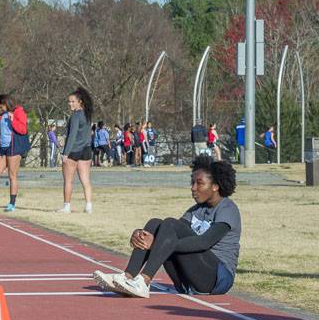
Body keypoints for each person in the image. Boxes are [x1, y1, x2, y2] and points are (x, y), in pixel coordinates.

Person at [94, 155, 241, 298]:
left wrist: (156, 244)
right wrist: (141, 235)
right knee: (156, 224)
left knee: (170, 224)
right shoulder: (197, 210)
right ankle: (127, 276)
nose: (193, 188)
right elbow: (168, 234)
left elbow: (204, 242)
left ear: (215, 186)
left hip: (216, 280)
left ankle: (144, 281)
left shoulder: (227, 209)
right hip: (189, 278)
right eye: (192, 182)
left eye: (199, 183)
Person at [58, 87, 94, 213]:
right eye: (69, 101)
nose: (70, 104)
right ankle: (89, 205)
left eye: (73, 101)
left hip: (74, 151)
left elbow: (72, 136)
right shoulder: (88, 115)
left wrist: (65, 153)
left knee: (68, 180)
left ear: (80, 102)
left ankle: (66, 206)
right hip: (86, 150)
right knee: (85, 180)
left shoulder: (76, 116)